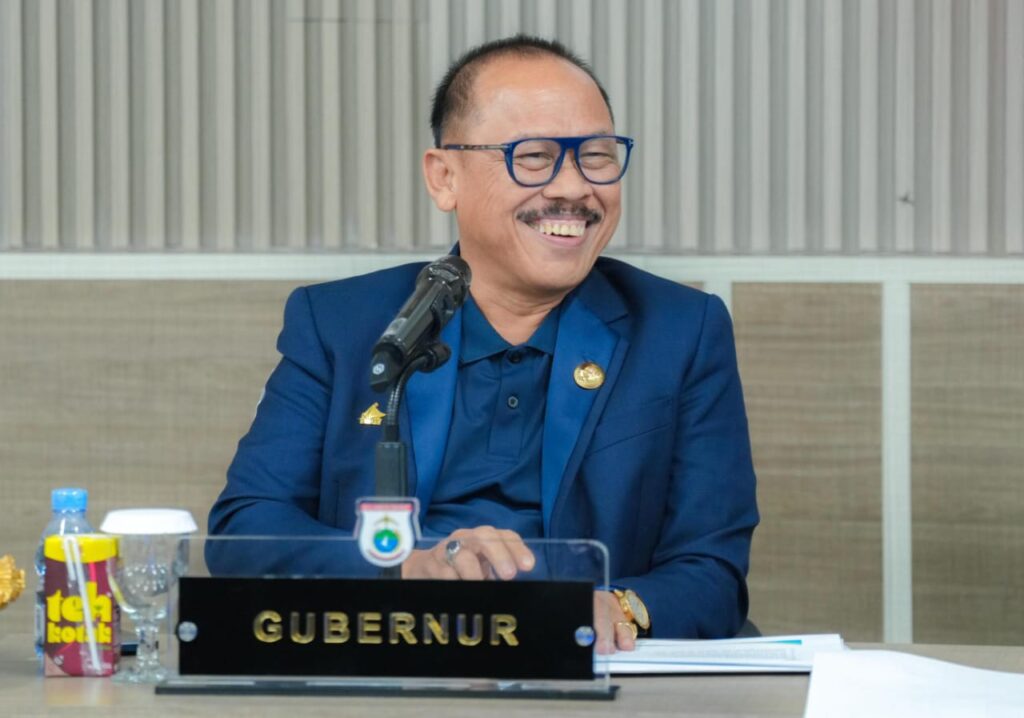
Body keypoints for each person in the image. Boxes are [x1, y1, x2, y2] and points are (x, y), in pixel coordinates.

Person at [209, 35, 758, 654]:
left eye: (597, 157)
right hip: (396, 661)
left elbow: (712, 570)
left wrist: (618, 606)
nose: (575, 188)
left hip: (583, 666)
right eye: (535, 157)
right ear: (444, 177)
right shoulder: (343, 324)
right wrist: (404, 568)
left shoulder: (681, 331)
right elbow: (246, 530)